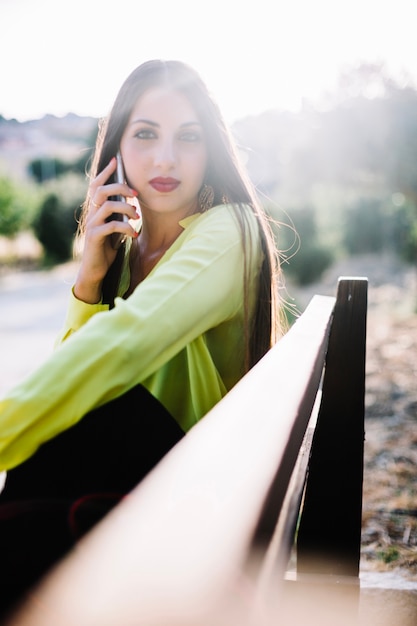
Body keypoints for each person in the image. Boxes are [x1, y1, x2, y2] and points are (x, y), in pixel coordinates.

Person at [0, 59, 285, 614]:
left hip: (201, 498)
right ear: (118, 149)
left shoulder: (230, 231)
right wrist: (88, 280)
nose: (166, 158)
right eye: (147, 134)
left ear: (212, 151)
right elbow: (83, 370)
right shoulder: (127, 254)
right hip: (148, 483)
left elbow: (122, 348)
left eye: (189, 138)